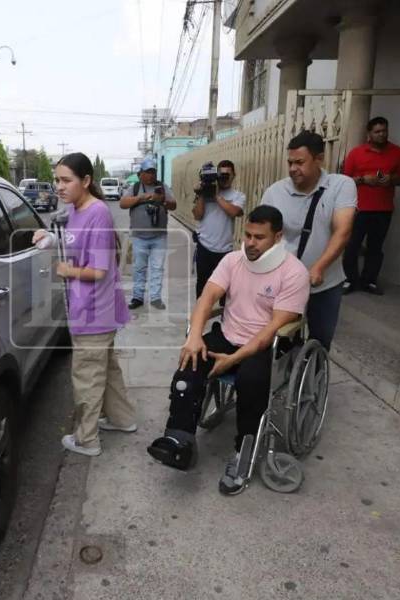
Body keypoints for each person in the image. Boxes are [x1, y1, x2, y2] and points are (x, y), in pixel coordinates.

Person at [147, 206, 309, 495]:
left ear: (278, 237)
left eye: (259, 237)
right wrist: (195, 336)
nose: (250, 242)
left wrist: (233, 360)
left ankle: (242, 455)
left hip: (266, 345)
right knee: (189, 365)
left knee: (251, 381)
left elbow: (272, 330)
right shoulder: (233, 261)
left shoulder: (294, 272)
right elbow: (208, 296)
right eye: (247, 234)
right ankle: (179, 440)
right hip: (228, 334)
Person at [32, 153, 135, 457]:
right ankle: (122, 419)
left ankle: (87, 439)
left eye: (66, 180)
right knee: (108, 369)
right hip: (89, 309)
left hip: (93, 311)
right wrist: (50, 238)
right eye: (57, 180)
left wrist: (67, 270)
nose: (59, 186)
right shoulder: (75, 210)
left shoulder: (98, 213)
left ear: (86, 181)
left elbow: (99, 270)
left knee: (87, 377)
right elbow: (75, 242)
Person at [260, 130, 356, 350]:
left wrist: (319, 268)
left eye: (300, 162)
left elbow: (343, 231)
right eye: (290, 162)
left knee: (320, 341)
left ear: (319, 159)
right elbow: (262, 235)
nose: (293, 168)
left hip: (325, 283)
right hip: (284, 284)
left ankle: (314, 379)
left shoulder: (341, 186)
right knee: (279, 341)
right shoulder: (275, 192)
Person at [342, 117, 400, 295]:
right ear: (369, 134)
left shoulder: (397, 152)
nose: (382, 135)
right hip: (358, 208)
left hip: (383, 209)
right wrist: (364, 179)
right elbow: (344, 180)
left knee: (375, 247)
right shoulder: (356, 153)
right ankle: (350, 279)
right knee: (352, 245)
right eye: (377, 131)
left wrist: (391, 179)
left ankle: (369, 280)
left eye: (384, 131)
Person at [120, 157, 177, 310]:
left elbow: (174, 205)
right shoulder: (135, 188)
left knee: (157, 268)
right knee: (139, 268)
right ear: (140, 174)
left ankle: (155, 298)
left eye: (153, 172)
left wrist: (163, 200)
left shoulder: (162, 187)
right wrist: (141, 198)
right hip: (139, 237)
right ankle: (137, 297)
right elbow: (122, 203)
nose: (151, 175)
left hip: (159, 236)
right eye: (148, 172)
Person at [192, 159, 246, 300]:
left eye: (227, 175)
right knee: (202, 284)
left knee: (224, 287)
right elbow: (197, 215)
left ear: (234, 175)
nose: (223, 178)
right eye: (220, 175)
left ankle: (221, 319)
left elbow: (234, 212)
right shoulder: (205, 194)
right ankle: (201, 317)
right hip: (204, 246)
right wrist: (202, 193)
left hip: (224, 250)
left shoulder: (238, 196)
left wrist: (216, 196)